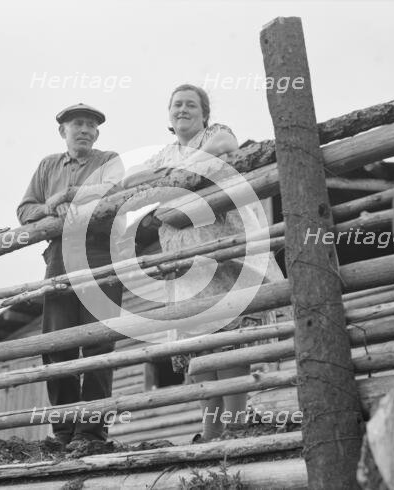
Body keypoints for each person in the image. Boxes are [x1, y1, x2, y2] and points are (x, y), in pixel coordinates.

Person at [128, 84, 284, 443]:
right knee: (201, 353)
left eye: (190, 105)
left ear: (204, 113)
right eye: (176, 105)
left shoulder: (213, 134)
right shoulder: (165, 152)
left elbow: (224, 146)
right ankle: (210, 432)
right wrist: (169, 174)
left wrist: (175, 174)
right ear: (169, 114)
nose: (182, 110)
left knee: (228, 342)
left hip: (221, 255)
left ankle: (236, 427)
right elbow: (133, 179)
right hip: (184, 267)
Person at [17, 103, 123, 448]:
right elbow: (25, 210)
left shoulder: (108, 160)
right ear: (62, 130)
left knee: (98, 344)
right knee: (57, 346)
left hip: (99, 253)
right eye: (78, 124)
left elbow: (112, 192)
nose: (85, 131)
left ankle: (91, 433)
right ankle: (63, 432)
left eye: (92, 126)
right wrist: (50, 207)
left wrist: (70, 197)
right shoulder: (48, 166)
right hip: (59, 258)